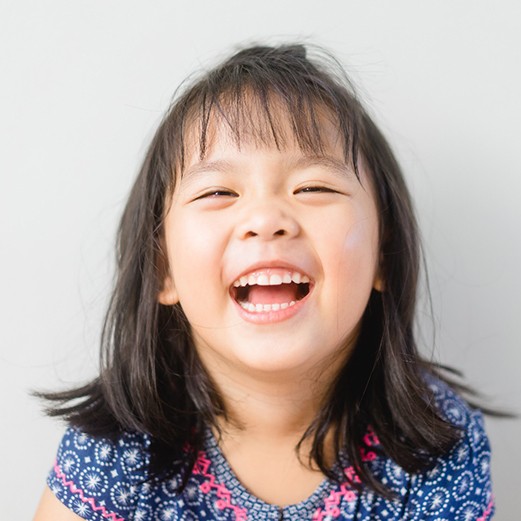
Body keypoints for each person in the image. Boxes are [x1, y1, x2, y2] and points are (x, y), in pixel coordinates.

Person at [33, 43, 494, 520]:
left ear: (383, 254)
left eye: (314, 187)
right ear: (162, 268)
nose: (266, 219)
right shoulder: (116, 448)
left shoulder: (435, 443)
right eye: (218, 191)